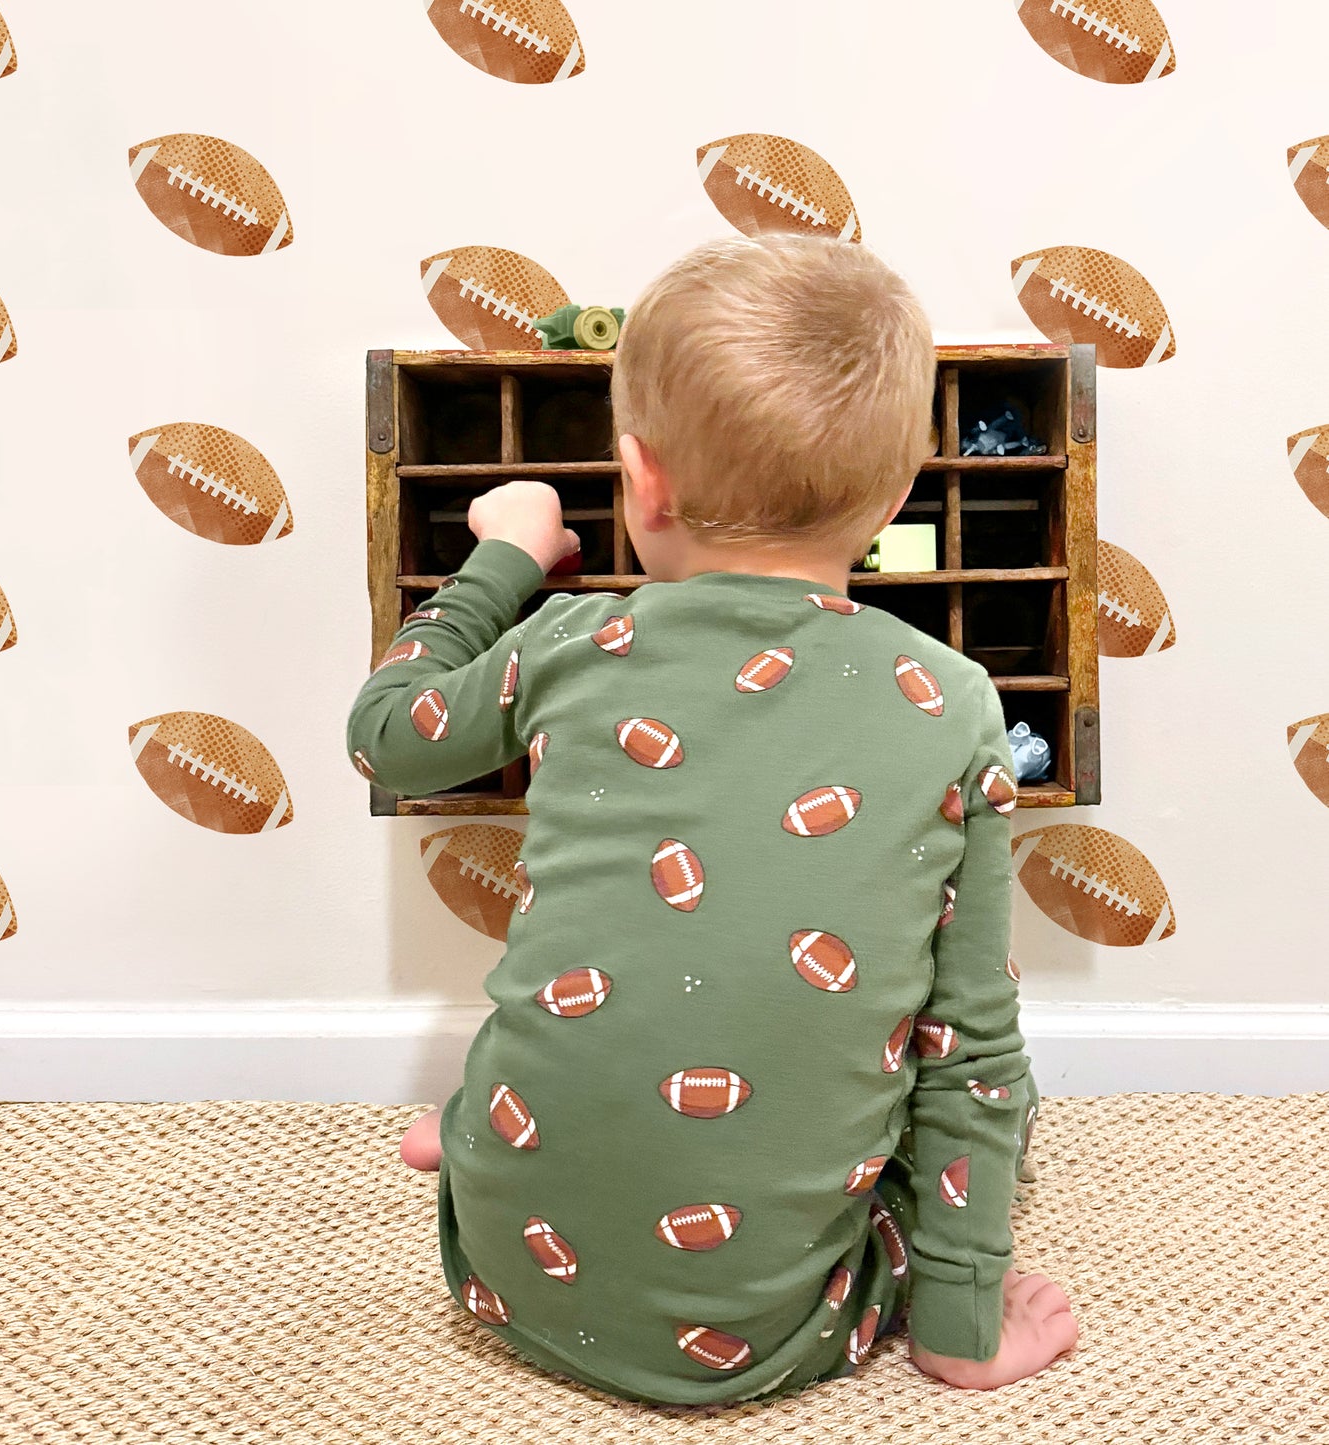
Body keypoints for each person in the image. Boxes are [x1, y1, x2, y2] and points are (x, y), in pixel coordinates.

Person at [347, 232, 1079, 1403]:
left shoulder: (570, 643)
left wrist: (499, 561)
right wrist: (961, 1314)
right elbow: (967, 1044)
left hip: (498, 1262)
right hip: (769, 1324)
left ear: (639, 477)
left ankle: (503, 1124)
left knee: (586, 987)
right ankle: (923, 1312)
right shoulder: (953, 701)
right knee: (986, 1097)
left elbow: (385, 728)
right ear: (894, 494)